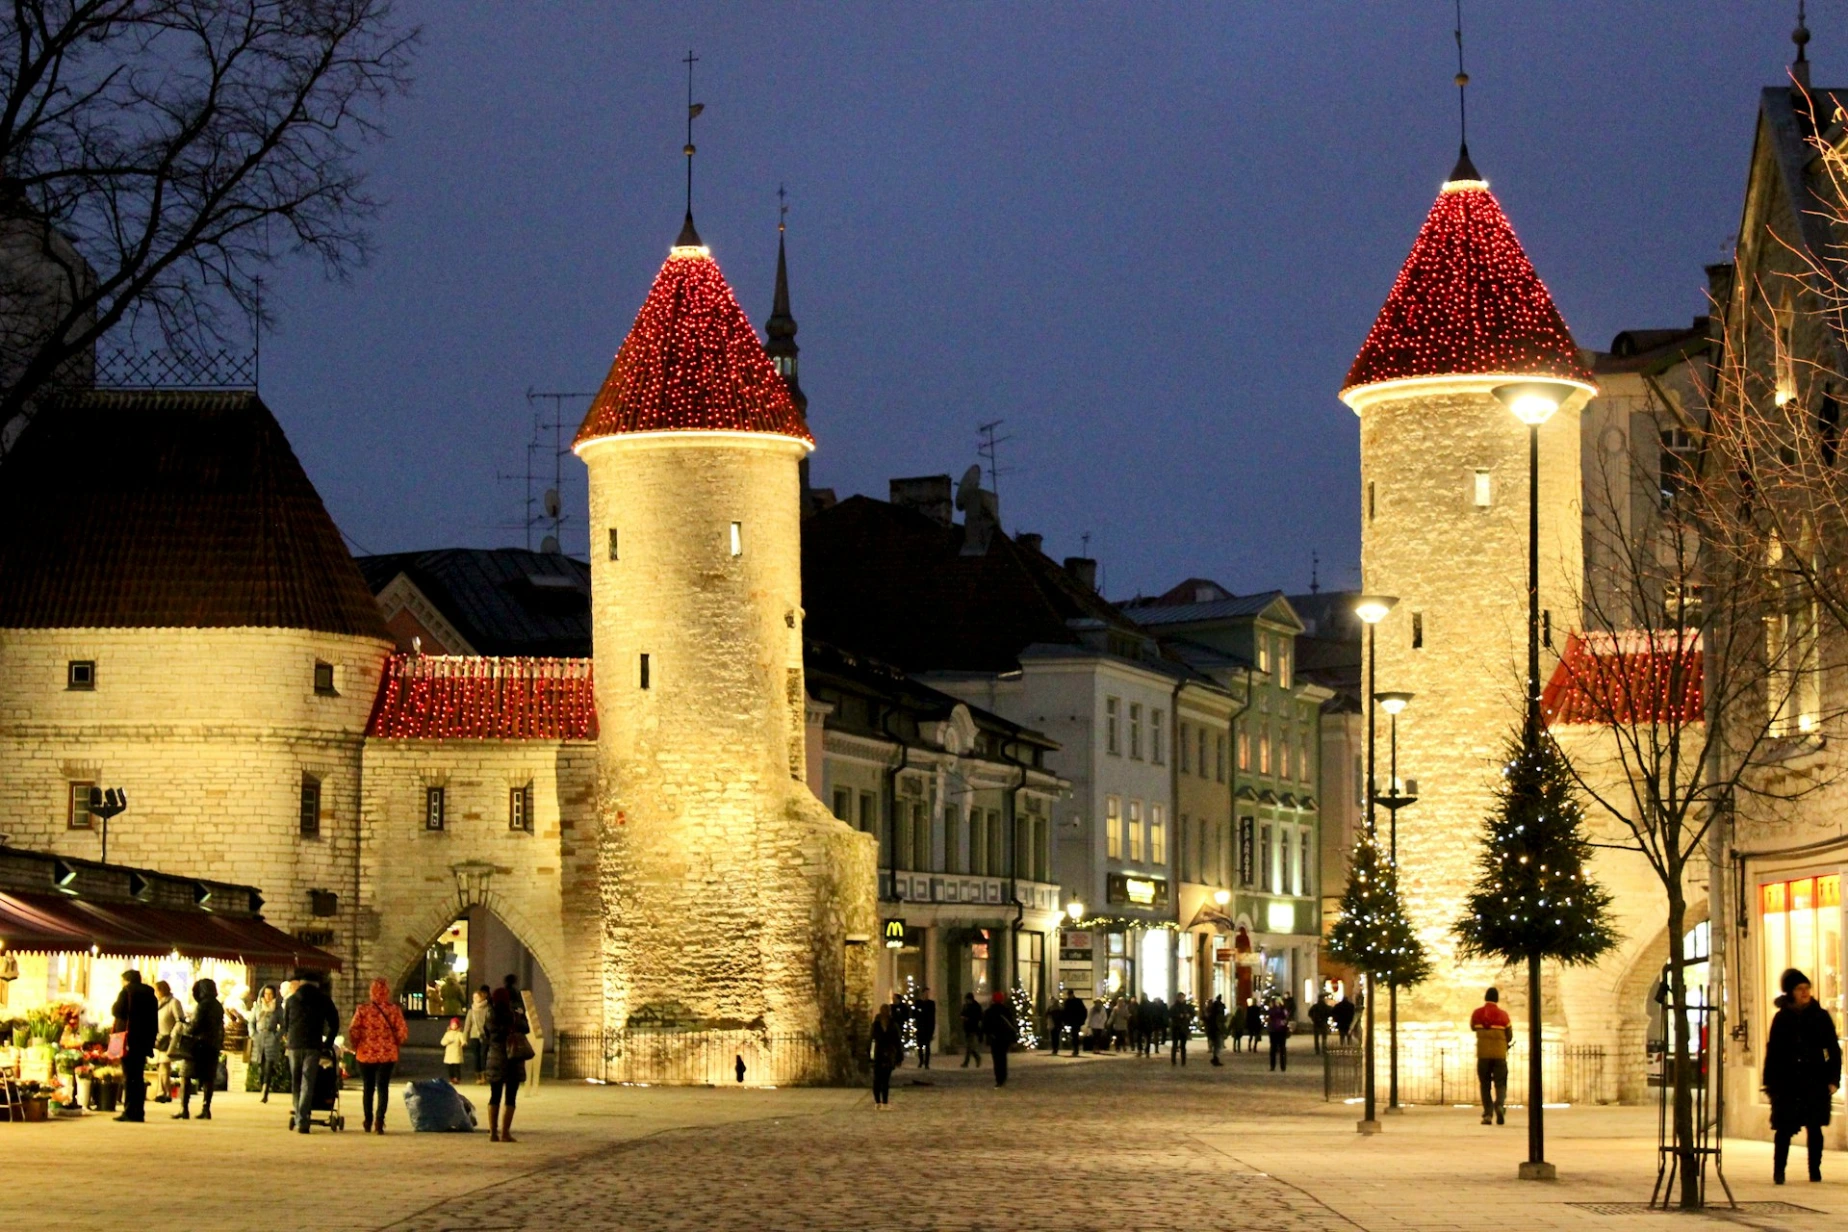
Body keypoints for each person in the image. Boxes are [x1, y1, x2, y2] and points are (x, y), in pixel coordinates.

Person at [1764, 967, 1842, 1184]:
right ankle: (1779, 1171)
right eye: (1800, 989)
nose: (1805, 992)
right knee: (1784, 1130)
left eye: (1807, 988)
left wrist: (1833, 1079)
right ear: (1791, 992)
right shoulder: (1782, 1018)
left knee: (1814, 1128)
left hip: (1814, 1079)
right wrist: (1771, 1084)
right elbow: (1773, 1052)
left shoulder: (1820, 1016)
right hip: (1788, 1082)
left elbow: (1833, 1049)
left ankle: (1814, 1171)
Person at [280, 969, 339, 1134]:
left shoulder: (291, 1000)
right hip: (313, 1045)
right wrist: (328, 1042)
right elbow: (334, 1022)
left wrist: (289, 1037)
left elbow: (286, 1024)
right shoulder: (323, 1000)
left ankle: (300, 1116)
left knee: (296, 1080)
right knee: (308, 1081)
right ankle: (303, 1119)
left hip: (294, 1045)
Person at [349, 977, 410, 1133]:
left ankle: (367, 1119)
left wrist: (357, 1045)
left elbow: (353, 1030)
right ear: (387, 992)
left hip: (366, 1054)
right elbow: (403, 1032)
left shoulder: (362, 1010)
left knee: (368, 1087)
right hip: (387, 1054)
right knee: (383, 1087)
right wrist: (394, 1043)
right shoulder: (394, 1010)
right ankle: (379, 1120)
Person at [111, 969, 159, 1123]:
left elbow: (117, 1010)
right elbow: (153, 1019)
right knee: (138, 1077)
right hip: (143, 1040)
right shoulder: (151, 995)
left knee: (129, 1077)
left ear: (127, 980)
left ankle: (130, 1111)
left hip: (129, 1039)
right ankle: (139, 1111)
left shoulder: (127, 992)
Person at [486, 982, 531, 1142]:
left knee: (495, 1095)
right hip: (513, 1059)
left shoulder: (490, 1015)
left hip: (496, 1058)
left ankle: (493, 1132)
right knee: (510, 1097)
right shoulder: (513, 1015)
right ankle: (505, 1132)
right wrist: (521, 1016)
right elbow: (526, 1028)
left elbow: (488, 1034)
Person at [175, 977, 224, 1120]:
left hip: (197, 1047)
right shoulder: (217, 1005)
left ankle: (184, 1108)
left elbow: (194, 1026)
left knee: (186, 1075)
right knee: (208, 1078)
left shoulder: (203, 1005)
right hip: (212, 1045)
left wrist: (185, 1025)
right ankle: (206, 1109)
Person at [1470, 986, 1513, 1126]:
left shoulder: (1477, 1014)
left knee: (1485, 1085)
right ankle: (1499, 1105)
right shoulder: (1503, 1015)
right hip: (1500, 1055)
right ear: (1497, 999)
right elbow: (1509, 1035)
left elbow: (1472, 1027)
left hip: (1483, 1055)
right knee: (1501, 1083)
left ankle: (1488, 1114)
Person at [249, 984, 288, 1102]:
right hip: (259, 1037)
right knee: (261, 1065)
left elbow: (283, 1025)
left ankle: (265, 1090)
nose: (268, 996)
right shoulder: (257, 1007)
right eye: (266, 994)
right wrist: (253, 1034)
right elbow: (251, 1022)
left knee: (268, 1065)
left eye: (270, 994)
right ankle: (262, 1085)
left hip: (271, 1037)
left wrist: (277, 1036)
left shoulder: (277, 1009)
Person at [153, 979, 186, 1103]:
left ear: (162, 990)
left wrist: (173, 1035)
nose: (155, 993)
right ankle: (164, 1092)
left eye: (156, 990)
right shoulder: (158, 1003)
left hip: (168, 1038)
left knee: (164, 1065)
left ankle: (163, 1092)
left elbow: (180, 1020)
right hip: (158, 1038)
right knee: (159, 1065)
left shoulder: (173, 1002)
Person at [870, 1003, 902, 1109]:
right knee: (877, 1079)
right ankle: (878, 1101)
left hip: (889, 1054)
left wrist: (899, 1057)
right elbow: (871, 1040)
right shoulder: (876, 1024)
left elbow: (897, 1041)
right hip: (878, 1053)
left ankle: (884, 1101)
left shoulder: (893, 1025)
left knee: (885, 1079)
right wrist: (869, 1055)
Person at [983, 990, 1017, 1087]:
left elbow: (985, 1026)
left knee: (996, 1059)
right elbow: (1012, 1026)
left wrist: (987, 1036)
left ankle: (998, 1078)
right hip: (1004, 1038)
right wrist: (1013, 1039)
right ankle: (1003, 1076)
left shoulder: (989, 1011)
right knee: (1003, 1057)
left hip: (994, 1038)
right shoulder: (1006, 1010)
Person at [465, 984, 492, 1084]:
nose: (475, 999)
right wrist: (464, 1038)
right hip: (474, 1036)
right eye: (473, 997)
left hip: (484, 1036)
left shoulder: (487, 1009)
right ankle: (478, 1076)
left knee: (483, 1055)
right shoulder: (471, 1011)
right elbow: (467, 1026)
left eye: (477, 997)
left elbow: (489, 1022)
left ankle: (484, 1075)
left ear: (482, 997)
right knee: (476, 1056)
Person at [959, 992, 984, 1067]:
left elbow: (978, 1017)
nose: (966, 1001)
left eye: (967, 999)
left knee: (969, 1046)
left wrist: (968, 1018)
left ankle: (966, 1063)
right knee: (969, 1046)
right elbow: (962, 1013)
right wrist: (962, 1017)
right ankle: (977, 1057)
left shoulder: (976, 1006)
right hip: (967, 1028)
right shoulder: (966, 1006)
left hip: (973, 1028)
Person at [1266, 998, 1291, 1072]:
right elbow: (1287, 1016)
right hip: (1281, 1030)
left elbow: (1269, 1019)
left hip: (1274, 1030)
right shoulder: (1283, 1010)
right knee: (1282, 1048)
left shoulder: (1271, 1010)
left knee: (1273, 1049)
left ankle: (1273, 1066)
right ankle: (1282, 1066)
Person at [914, 988, 937, 1069]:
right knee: (919, 1046)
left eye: (928, 993)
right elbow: (915, 1014)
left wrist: (932, 1028)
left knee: (927, 1046)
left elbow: (932, 1016)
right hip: (920, 1027)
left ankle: (926, 1063)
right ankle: (921, 1061)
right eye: (926, 993)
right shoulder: (918, 1003)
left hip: (928, 1028)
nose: (927, 995)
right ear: (922, 994)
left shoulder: (931, 1003)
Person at [1169, 993, 1194, 1066]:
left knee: (1183, 1046)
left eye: (1183, 997)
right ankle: (1173, 1061)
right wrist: (1178, 1016)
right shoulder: (1174, 1007)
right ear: (1178, 998)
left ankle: (1183, 1061)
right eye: (1180, 997)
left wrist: (1189, 1016)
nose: (1182, 999)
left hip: (1184, 1028)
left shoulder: (1186, 1006)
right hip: (1176, 1028)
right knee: (1175, 1045)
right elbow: (1170, 1014)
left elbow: (1192, 1013)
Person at [442, 1017, 468, 1082]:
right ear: (450, 1025)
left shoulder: (459, 1034)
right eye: (453, 1025)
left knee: (456, 1067)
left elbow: (463, 1040)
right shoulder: (447, 1034)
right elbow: (442, 1042)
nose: (454, 1026)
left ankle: (457, 1078)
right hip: (449, 1054)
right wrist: (447, 1041)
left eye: (456, 1025)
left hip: (457, 1053)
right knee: (450, 1067)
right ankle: (452, 1078)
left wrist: (463, 1043)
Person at [1204, 995, 1227, 1066]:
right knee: (1218, 1045)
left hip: (1213, 1030)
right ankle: (1215, 1058)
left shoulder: (1211, 1013)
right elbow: (1222, 1021)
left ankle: (1215, 1058)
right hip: (1216, 1030)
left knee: (1216, 1045)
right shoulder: (1217, 1014)